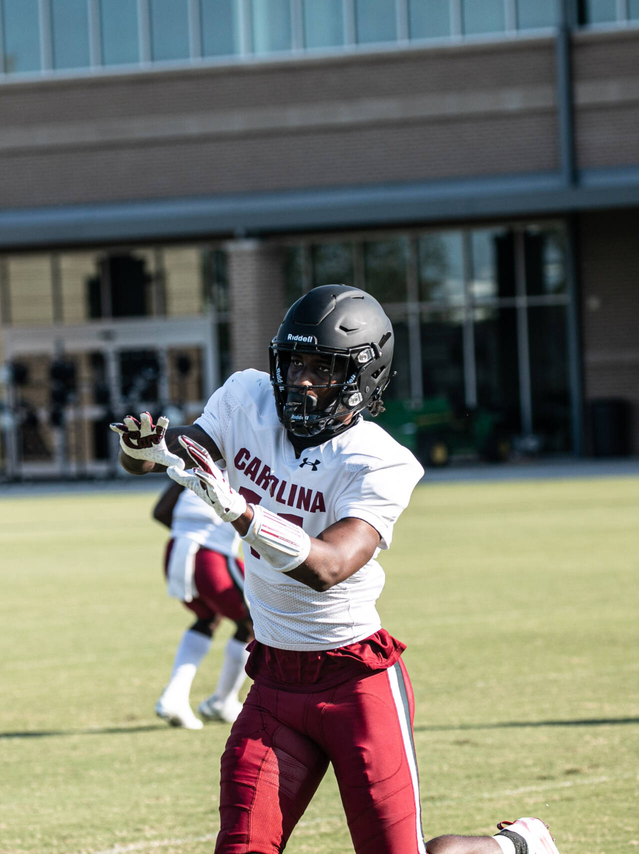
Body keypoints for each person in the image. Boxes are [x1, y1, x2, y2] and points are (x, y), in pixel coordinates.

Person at [112, 285, 561, 854]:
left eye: (321, 367)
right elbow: (178, 453)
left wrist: (241, 511)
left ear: (363, 377)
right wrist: (143, 447)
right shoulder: (248, 396)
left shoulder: (381, 460)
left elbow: (330, 566)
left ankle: (515, 847)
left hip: (355, 682)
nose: (301, 379)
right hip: (274, 679)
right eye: (295, 362)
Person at [149, 481, 252, 730]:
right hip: (212, 559)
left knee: (208, 618)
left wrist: (190, 531)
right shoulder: (249, 458)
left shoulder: (195, 458)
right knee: (253, 623)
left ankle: (174, 695)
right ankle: (223, 701)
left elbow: (161, 511)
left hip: (176, 551)